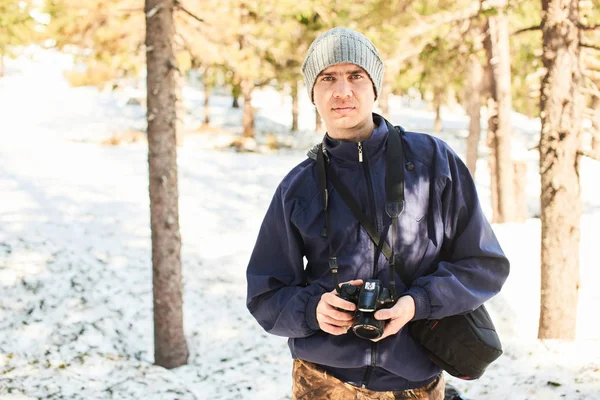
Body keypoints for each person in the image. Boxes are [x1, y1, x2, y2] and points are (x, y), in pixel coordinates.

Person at [246, 27, 509, 399]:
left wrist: (418, 302)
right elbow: (265, 294)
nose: (342, 91)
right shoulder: (298, 187)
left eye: (356, 76)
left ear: (375, 87)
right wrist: (313, 310)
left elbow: (484, 264)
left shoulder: (434, 162)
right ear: (313, 93)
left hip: (415, 382)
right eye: (328, 78)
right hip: (322, 383)